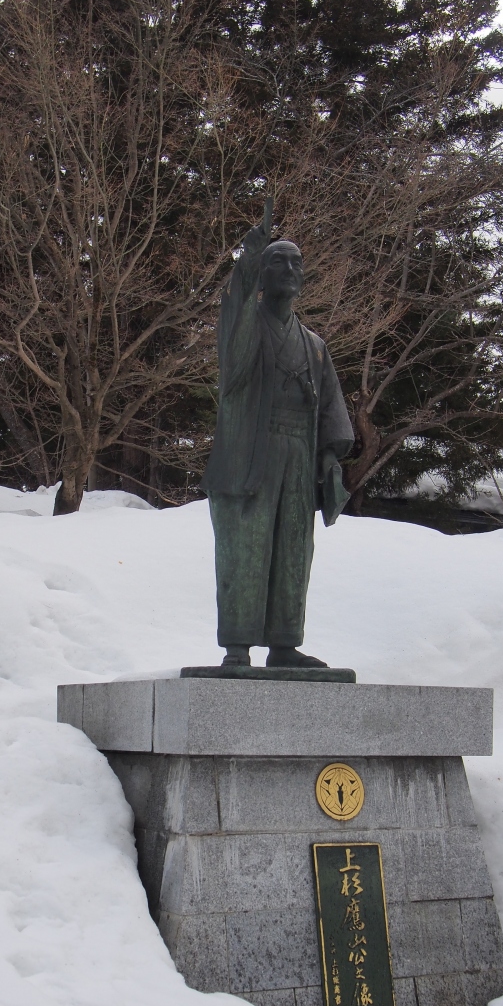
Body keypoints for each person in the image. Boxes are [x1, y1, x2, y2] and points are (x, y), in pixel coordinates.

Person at [200, 202, 354, 668]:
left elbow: (330, 409)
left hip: (299, 454)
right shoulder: (244, 327)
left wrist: (329, 458)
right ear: (261, 277)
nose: (289, 269)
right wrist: (250, 256)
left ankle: (285, 644)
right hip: (251, 453)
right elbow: (236, 303)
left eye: (296, 263)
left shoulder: (315, 346)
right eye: (277, 261)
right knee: (246, 546)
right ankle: (238, 646)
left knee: (293, 547)